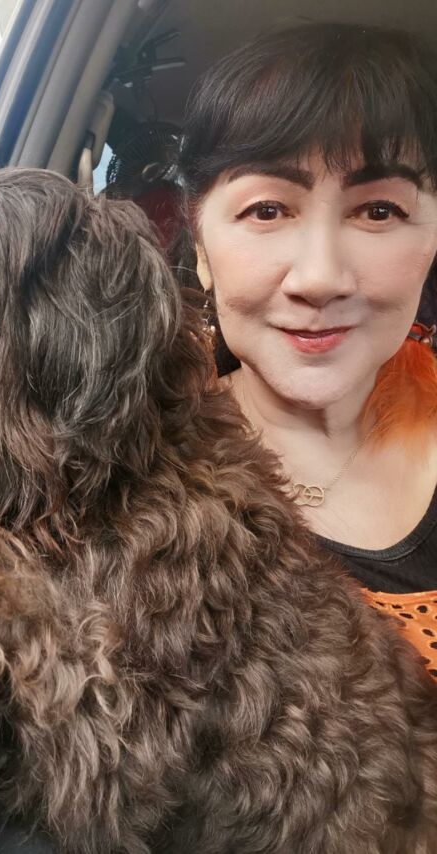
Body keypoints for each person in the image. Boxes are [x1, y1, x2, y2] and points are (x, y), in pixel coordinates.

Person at [177, 21, 437, 672]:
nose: (320, 278)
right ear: (201, 249)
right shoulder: (132, 479)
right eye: (267, 211)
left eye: (378, 211)